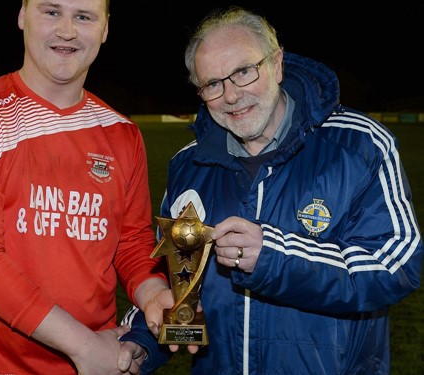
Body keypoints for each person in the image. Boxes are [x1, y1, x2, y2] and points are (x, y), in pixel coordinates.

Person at [134, 5, 424, 374]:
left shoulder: (360, 145)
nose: (232, 95)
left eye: (243, 72)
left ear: (277, 63)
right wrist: (143, 341)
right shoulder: (188, 165)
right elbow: (172, 278)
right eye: (213, 83)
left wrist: (274, 256)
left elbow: (396, 265)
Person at [0, 0, 172, 374]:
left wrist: (154, 294)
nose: (67, 30)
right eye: (52, 11)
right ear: (23, 15)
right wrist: (84, 346)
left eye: (84, 16)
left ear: (105, 30)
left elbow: (133, 243)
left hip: (98, 358)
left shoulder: (123, 134)